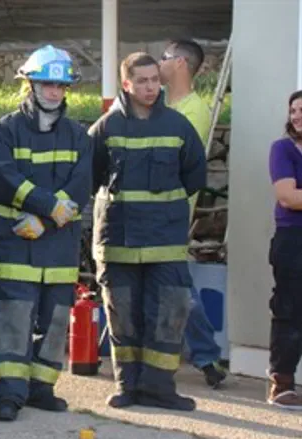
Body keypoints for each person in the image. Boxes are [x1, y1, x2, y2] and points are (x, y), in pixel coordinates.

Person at [90, 52, 207, 411]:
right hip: (119, 243)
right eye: (141, 81)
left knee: (168, 316)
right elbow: (91, 177)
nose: (150, 87)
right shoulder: (106, 128)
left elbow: (194, 176)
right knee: (122, 317)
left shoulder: (178, 126)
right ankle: (128, 386)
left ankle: (159, 389)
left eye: (155, 79)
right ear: (126, 84)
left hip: (165, 244)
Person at [0, 45, 92, 421]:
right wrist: (48, 207)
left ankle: (42, 389)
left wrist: (45, 221)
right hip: (15, 242)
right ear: (30, 84)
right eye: (47, 84)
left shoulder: (78, 135)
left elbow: (81, 183)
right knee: (14, 320)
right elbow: (3, 177)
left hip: (56, 243)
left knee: (56, 318)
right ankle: (9, 394)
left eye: (61, 86)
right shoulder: (6, 129)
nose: (54, 92)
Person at [160, 39, 228, 388]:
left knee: (176, 283)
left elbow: (173, 158)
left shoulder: (194, 111)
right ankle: (204, 356)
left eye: (165, 57)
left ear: (182, 64)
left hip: (170, 214)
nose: (160, 62)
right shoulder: (158, 102)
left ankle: (206, 356)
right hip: (141, 211)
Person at [266, 89, 302, 410]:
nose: (297, 116)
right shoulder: (283, 150)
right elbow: (288, 197)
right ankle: (282, 383)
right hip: (293, 240)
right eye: (293, 110)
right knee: (290, 308)